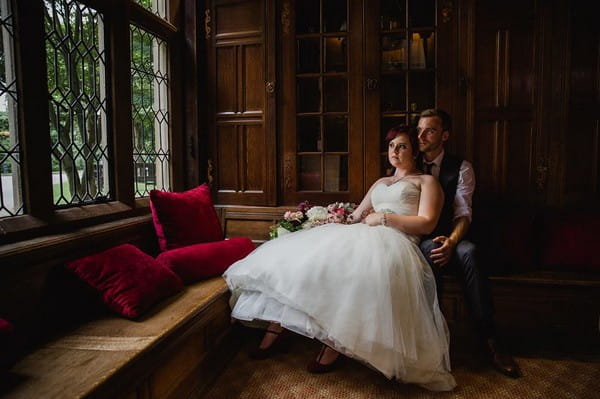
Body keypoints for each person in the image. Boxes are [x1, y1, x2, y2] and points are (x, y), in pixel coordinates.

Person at [224, 125, 457, 391]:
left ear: (414, 151)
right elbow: (357, 215)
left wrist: (385, 218)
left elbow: (427, 223)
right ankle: (276, 329)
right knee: (302, 263)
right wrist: (326, 220)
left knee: (354, 277)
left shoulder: (426, 182)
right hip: (362, 233)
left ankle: (334, 344)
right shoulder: (381, 182)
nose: (395, 151)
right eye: (391, 146)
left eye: (402, 146)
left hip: (395, 242)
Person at [415, 108, 521, 378]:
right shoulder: (410, 164)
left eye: (430, 130)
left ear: (445, 135)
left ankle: (491, 341)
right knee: (432, 251)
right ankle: (434, 342)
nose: (421, 135)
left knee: (470, 251)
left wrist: (451, 241)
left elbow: (464, 214)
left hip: (452, 236)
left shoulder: (461, 167)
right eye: (419, 130)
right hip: (420, 238)